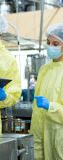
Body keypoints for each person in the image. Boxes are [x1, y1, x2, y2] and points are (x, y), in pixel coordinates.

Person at [30, 23, 63, 160]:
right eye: (48, 42)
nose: (50, 46)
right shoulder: (44, 69)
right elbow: (36, 108)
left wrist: (51, 107)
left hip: (58, 137)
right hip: (39, 134)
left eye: (56, 43)